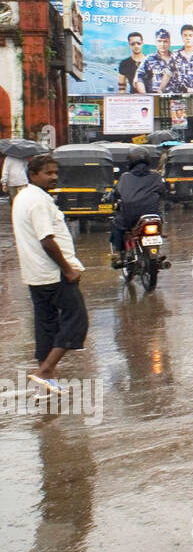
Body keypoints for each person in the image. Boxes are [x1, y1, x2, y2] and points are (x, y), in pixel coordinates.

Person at [12, 154, 88, 390]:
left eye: (55, 172)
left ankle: (46, 380)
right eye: (48, 173)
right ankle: (45, 370)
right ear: (33, 175)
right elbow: (47, 240)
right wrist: (68, 270)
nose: (53, 177)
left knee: (46, 323)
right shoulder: (38, 202)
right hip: (53, 274)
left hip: (35, 274)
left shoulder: (24, 197)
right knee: (77, 320)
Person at [109, 147, 166, 266]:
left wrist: (108, 197)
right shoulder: (156, 176)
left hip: (130, 217)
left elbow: (116, 192)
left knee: (116, 224)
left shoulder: (125, 177)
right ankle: (157, 252)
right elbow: (163, 190)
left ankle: (118, 253)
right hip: (153, 215)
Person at [134, 29, 176, 94]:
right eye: (159, 41)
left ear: (170, 42)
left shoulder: (176, 58)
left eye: (165, 41)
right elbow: (139, 77)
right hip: (156, 98)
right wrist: (144, 96)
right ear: (156, 42)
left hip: (176, 97)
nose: (162, 44)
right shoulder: (149, 59)